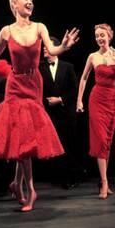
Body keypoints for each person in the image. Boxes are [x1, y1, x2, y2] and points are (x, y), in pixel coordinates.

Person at [0, 0, 80, 212]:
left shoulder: (39, 27)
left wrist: (64, 46)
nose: (30, 2)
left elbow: (52, 48)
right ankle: (29, 189)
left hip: (33, 84)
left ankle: (18, 183)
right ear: (14, 4)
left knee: (25, 136)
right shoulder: (6, 31)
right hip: (15, 85)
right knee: (20, 135)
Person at [76, 24, 115, 199]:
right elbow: (84, 78)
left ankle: (103, 180)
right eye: (97, 36)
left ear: (109, 36)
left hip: (111, 100)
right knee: (100, 139)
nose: (100, 38)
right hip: (96, 99)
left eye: (102, 35)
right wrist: (79, 100)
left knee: (107, 141)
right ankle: (104, 182)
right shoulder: (92, 57)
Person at [39, 36, 82, 189]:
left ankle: (72, 177)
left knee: (68, 144)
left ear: (56, 48)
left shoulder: (67, 67)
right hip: (48, 113)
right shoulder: (40, 67)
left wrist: (61, 99)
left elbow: (75, 89)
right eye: (43, 46)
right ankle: (57, 177)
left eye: (47, 46)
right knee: (53, 146)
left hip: (66, 112)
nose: (44, 48)